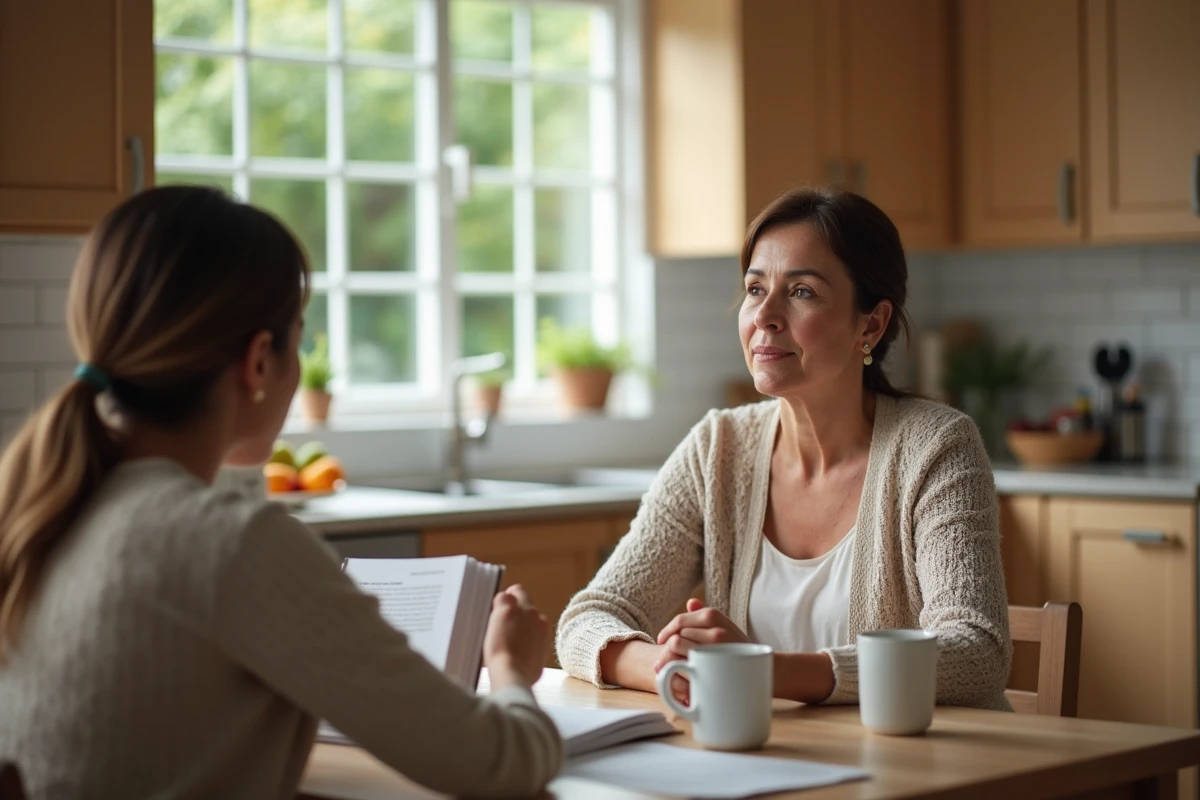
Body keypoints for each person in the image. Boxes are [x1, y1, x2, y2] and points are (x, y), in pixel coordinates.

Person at [0, 186, 563, 799]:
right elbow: (500, 764)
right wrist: (511, 664)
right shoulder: (234, 542)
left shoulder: (36, 507)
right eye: (298, 337)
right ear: (259, 361)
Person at [557, 187, 1012, 710]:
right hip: (773, 764)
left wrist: (761, 670)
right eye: (755, 289)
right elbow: (589, 617)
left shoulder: (936, 447)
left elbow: (977, 653)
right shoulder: (717, 449)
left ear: (872, 323)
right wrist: (669, 666)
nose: (765, 316)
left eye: (802, 292)